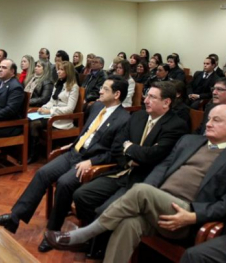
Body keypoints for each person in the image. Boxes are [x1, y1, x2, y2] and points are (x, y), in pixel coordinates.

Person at [46, 105, 226, 263]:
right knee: (128, 223)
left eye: (217, 120)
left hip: (184, 215)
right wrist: (150, 195)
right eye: (209, 118)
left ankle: (84, 234)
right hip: (155, 202)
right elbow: (162, 169)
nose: (209, 123)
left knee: (140, 190)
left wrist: (193, 215)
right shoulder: (189, 141)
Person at [0, 76, 131, 252]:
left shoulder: (124, 119)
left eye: (105, 89)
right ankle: (14, 217)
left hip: (89, 161)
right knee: (42, 173)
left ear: (117, 94)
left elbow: (115, 154)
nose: (100, 91)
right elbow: (88, 132)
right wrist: (73, 144)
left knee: (64, 183)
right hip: (74, 153)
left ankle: (52, 232)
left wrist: (91, 161)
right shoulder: (98, 107)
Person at [73, 81, 189, 231]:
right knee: (81, 195)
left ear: (166, 102)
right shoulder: (138, 116)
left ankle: (96, 247)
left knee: (106, 210)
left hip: (142, 179)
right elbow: (116, 146)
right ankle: (93, 240)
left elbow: (152, 156)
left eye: (152, 97)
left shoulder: (176, 125)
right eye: (147, 96)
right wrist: (130, 159)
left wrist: (128, 146)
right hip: (121, 170)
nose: (145, 100)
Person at [27, 61, 79, 163]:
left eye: (61, 69)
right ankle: (29, 152)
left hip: (61, 118)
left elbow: (70, 109)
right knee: (28, 119)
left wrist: (50, 111)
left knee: (34, 124)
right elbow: (52, 101)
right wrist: (43, 108)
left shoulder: (74, 87)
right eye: (58, 69)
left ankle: (34, 155)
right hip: (52, 115)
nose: (58, 72)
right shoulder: (58, 84)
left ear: (68, 72)